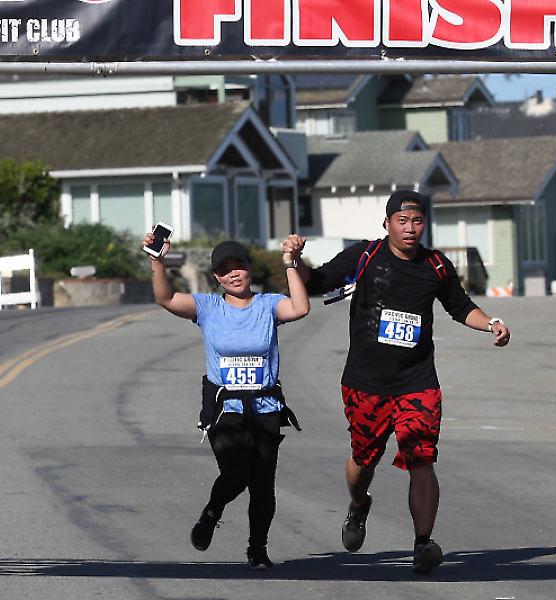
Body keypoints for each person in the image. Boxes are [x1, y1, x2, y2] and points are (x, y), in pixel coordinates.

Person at [282, 189, 510, 575]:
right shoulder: (364, 255)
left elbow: (460, 307)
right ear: (387, 224)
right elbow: (317, 281)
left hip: (417, 383)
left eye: (417, 221)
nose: (410, 228)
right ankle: (359, 505)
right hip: (365, 383)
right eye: (402, 221)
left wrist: (492, 323)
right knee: (364, 459)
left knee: (422, 458)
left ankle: (423, 544)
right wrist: (295, 261)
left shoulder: (436, 265)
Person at [143, 232, 309, 571]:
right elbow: (165, 298)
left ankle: (257, 549)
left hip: (265, 408)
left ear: (250, 268)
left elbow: (300, 308)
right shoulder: (208, 307)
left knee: (262, 485)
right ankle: (212, 512)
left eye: (240, 266)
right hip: (225, 409)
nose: (234, 273)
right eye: (225, 269)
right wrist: (157, 261)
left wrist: (290, 263)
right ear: (217, 276)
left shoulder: (268, 305)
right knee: (236, 472)